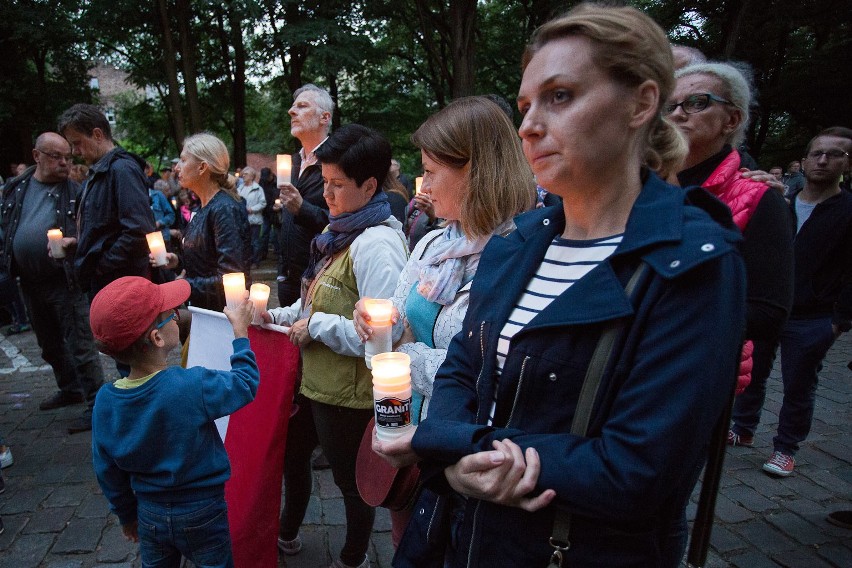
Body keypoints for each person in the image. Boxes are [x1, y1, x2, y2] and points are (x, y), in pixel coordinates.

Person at [389, 5, 746, 567]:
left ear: (642, 102)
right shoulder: (517, 241)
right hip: (454, 537)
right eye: (526, 105)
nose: (529, 125)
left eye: (560, 96)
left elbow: (639, 466)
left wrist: (451, 447)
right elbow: (462, 363)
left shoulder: (692, 262)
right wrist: (453, 465)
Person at [353, 96, 536, 546]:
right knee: (407, 542)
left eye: (433, 172)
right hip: (404, 430)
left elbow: (490, 367)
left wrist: (406, 355)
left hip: (467, 446)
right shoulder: (432, 244)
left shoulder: (520, 251)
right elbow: (391, 332)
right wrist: (374, 325)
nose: (423, 186)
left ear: (478, 171)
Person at [264, 124, 408, 568]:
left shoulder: (377, 244)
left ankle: (353, 557)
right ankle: (285, 533)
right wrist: (274, 316)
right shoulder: (340, 231)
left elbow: (384, 336)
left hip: (348, 393)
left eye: (337, 185)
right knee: (292, 458)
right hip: (315, 384)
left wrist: (318, 326)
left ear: (369, 185)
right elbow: (314, 301)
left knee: (351, 483)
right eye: (323, 182)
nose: (325, 194)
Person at [90, 276, 258, 568]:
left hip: (149, 514)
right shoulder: (190, 384)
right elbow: (245, 384)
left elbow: (107, 471)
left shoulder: (105, 401)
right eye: (170, 314)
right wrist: (240, 333)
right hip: (203, 511)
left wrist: (127, 516)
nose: (178, 315)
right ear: (156, 338)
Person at [731, 127, 852, 477]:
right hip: (769, 306)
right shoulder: (781, 200)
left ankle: (785, 447)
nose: (823, 160)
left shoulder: (846, 210)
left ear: (847, 163)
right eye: (817, 153)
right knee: (753, 373)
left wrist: (839, 320)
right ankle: (743, 427)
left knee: (799, 384)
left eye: (834, 154)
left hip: (813, 315)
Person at [668, 62, 794, 396]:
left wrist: (662, 315)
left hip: (701, 373)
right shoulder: (640, 188)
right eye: (669, 106)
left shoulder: (759, 198)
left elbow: (768, 314)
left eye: (696, 102)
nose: (678, 113)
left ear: (732, 119)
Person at [0, 133, 105, 431]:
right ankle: (70, 387)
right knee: (47, 343)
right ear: (37, 156)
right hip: (29, 280)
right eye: (57, 156)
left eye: (68, 157)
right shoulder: (16, 188)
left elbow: (90, 233)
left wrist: (74, 244)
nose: (64, 162)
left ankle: (97, 403)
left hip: (64, 279)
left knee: (80, 343)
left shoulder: (75, 191)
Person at [57, 103, 156, 298]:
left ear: (97, 134)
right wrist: (80, 246)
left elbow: (138, 231)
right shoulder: (97, 174)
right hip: (107, 285)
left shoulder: (122, 170)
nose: (75, 152)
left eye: (77, 143)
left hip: (120, 287)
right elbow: (104, 231)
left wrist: (99, 266)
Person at [159, 133, 252, 311]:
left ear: (202, 167)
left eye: (183, 160)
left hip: (222, 315)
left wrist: (184, 286)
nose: (176, 168)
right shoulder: (204, 207)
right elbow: (207, 261)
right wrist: (178, 261)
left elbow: (232, 277)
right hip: (205, 310)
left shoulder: (224, 209)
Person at [275, 84, 332, 307]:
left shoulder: (336, 162)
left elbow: (345, 222)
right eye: (292, 106)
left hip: (320, 276)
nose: (291, 111)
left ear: (324, 117)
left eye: (302, 106)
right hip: (288, 277)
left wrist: (302, 208)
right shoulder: (292, 162)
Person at [237, 166, 266, 266]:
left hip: (254, 220)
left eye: (246, 174)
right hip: (243, 221)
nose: (243, 175)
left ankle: (255, 261)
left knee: (255, 242)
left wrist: (252, 209)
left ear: (252, 176)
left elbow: (263, 203)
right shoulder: (240, 188)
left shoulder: (258, 188)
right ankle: (247, 261)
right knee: (245, 243)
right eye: (243, 174)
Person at [258, 167, 280, 261]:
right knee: (265, 233)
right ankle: (263, 253)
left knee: (276, 233)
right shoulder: (262, 182)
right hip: (266, 211)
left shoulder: (277, 183)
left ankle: (278, 252)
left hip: (275, 211)